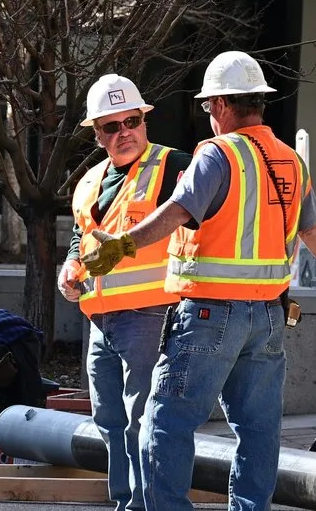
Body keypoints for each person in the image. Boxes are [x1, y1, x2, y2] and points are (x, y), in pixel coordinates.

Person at [83, 51, 316, 511]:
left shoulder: (218, 153)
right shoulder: (290, 160)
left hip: (210, 315)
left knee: (166, 422)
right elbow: (315, 229)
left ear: (223, 106)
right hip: (268, 317)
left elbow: (176, 212)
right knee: (258, 429)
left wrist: (123, 245)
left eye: (209, 107)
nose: (209, 117)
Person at [58, 73, 193, 511]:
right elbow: (84, 235)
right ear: (97, 135)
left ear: (144, 120)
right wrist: (70, 265)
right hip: (101, 319)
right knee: (110, 420)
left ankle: (143, 504)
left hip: (150, 314)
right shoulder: (91, 180)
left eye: (131, 121)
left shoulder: (175, 166)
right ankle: (124, 501)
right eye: (111, 127)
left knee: (143, 418)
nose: (124, 133)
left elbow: (208, 215)